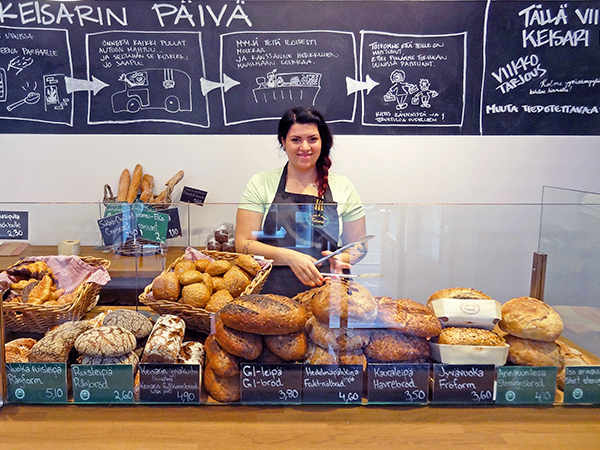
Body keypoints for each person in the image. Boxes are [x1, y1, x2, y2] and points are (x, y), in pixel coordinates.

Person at [235, 106, 367, 298]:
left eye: (312, 139)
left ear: (322, 142)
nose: (305, 147)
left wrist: (341, 259)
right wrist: (290, 257)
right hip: (272, 296)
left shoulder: (343, 186)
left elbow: (360, 244)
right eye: (296, 140)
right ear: (283, 142)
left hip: (329, 293)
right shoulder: (261, 183)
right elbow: (243, 243)